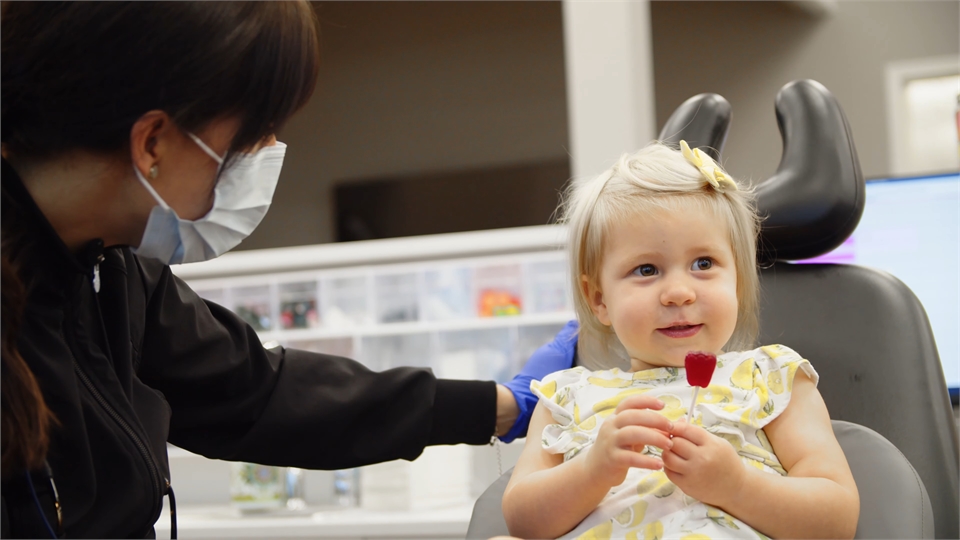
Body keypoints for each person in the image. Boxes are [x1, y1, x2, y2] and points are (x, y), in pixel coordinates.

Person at [0, 3, 556, 537]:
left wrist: (500, 406)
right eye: (248, 137)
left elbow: (257, 392)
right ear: (152, 143)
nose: (266, 152)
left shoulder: (108, 271)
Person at [501, 141, 860, 539]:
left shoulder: (771, 378)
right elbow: (521, 520)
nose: (678, 292)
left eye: (703, 264)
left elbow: (836, 519)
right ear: (599, 299)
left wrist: (737, 485)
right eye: (647, 269)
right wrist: (592, 469)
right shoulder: (564, 398)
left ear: (737, 281)